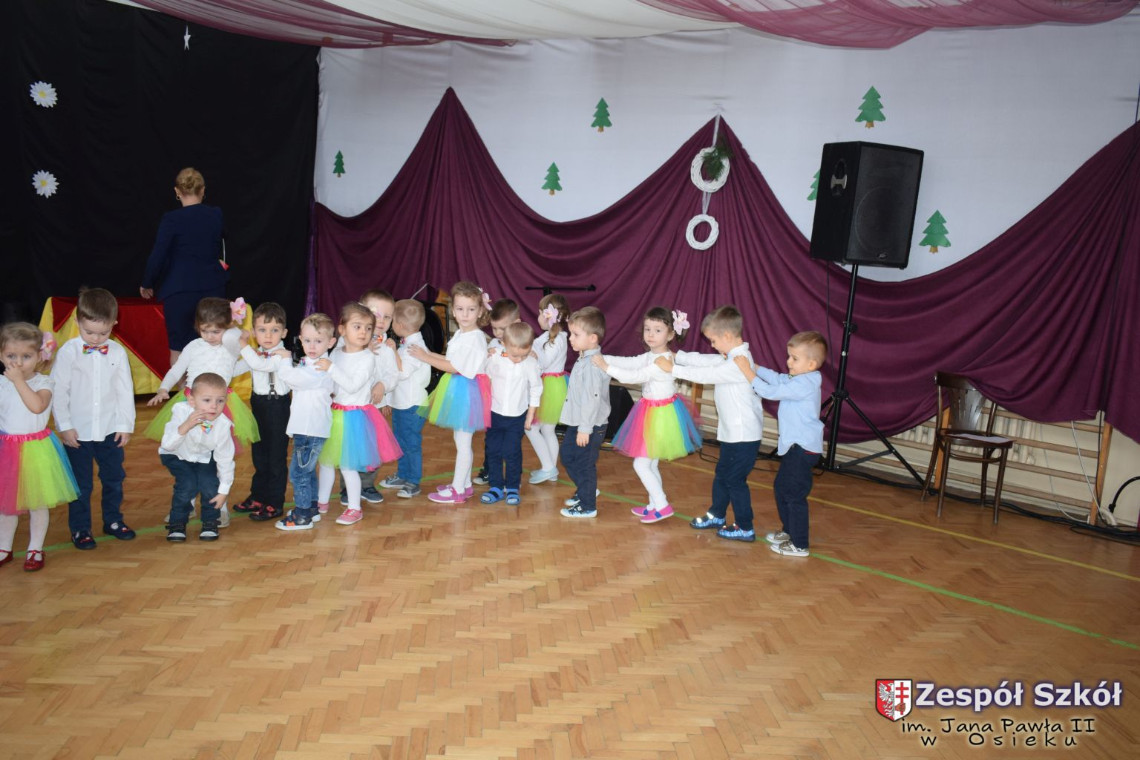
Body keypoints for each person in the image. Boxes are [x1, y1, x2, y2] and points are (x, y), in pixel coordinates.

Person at [143, 296, 258, 528]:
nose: (210, 336)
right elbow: (177, 369)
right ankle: (185, 505)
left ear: (228, 328)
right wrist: (164, 387)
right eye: (205, 330)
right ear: (198, 327)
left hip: (219, 408)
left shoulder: (230, 348)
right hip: (192, 405)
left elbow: (234, 369)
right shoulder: (193, 347)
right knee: (188, 454)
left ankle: (219, 507)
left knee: (217, 458)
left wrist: (256, 356)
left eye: (216, 331)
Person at [655, 305, 763, 541]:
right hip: (733, 434)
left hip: (744, 435)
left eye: (713, 340)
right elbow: (706, 360)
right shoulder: (731, 356)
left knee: (735, 480)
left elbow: (706, 375)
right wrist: (678, 356)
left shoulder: (739, 362)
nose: (712, 345)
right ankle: (717, 514)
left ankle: (745, 526)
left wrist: (673, 369)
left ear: (727, 335)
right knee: (722, 474)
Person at [592, 307, 701, 524]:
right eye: (647, 329)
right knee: (650, 464)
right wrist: (603, 357)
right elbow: (632, 362)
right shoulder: (652, 355)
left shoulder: (663, 360)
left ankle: (662, 505)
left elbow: (635, 376)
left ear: (670, 335)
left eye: (658, 330)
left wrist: (605, 367)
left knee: (641, 464)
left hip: (661, 417)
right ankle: (654, 504)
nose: (651, 334)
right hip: (652, 412)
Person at [51, 288, 137, 550]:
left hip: (110, 429)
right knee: (81, 484)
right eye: (89, 332)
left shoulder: (118, 353)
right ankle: (80, 528)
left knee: (114, 478)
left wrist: (124, 425)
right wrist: (65, 426)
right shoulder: (68, 352)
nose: (97, 339)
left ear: (114, 324)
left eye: (104, 333)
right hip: (78, 432)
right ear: (77, 321)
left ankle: (113, 520)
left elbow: (125, 391)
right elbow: (59, 392)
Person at [735, 331, 827, 557]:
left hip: (803, 449)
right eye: (789, 356)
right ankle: (789, 531)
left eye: (794, 358)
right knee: (782, 488)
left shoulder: (805, 384)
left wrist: (748, 372)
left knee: (794, 494)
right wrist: (755, 367)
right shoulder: (799, 378)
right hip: (796, 447)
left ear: (811, 364)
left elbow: (770, 391)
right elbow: (776, 378)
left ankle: (800, 544)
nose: (788, 362)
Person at [0, 323, 78, 571]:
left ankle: (35, 548)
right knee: (6, 506)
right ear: (1, 355)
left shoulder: (44, 382)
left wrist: (18, 381)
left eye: (26, 356)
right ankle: (4, 547)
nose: (18, 363)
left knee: (37, 503)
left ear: (40, 356)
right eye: (11, 356)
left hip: (37, 451)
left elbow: (36, 406)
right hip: (6, 450)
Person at [316, 302, 402, 525]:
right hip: (335, 414)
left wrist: (330, 369)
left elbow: (352, 386)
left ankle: (354, 508)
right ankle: (321, 502)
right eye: (357, 326)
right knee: (326, 462)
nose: (363, 332)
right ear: (342, 329)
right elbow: (332, 384)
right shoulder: (336, 353)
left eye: (368, 328)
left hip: (355, 417)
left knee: (348, 465)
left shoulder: (367, 358)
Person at [409, 281, 491, 505]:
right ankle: (464, 484)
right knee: (461, 440)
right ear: (453, 310)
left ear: (480, 311)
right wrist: (427, 353)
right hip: (460, 388)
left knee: (463, 443)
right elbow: (450, 359)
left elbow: (454, 367)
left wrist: (425, 357)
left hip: (467, 391)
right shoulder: (463, 334)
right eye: (460, 309)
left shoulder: (474, 338)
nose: (465, 314)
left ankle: (457, 490)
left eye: (471, 309)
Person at [139, 167, 227, 367]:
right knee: (215, 346)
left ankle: (183, 388)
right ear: (202, 190)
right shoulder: (216, 214)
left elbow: (158, 255)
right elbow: (218, 246)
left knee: (178, 349)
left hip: (179, 291)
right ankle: (213, 387)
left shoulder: (171, 219)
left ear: (177, 191)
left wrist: (147, 282)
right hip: (212, 288)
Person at [272, 313, 337, 531]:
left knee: (299, 473)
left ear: (330, 342)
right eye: (307, 340)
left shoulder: (320, 367)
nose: (312, 346)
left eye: (318, 341)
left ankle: (301, 516)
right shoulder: (309, 363)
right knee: (307, 471)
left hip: (310, 429)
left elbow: (292, 379)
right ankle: (310, 508)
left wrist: (284, 359)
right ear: (300, 339)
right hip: (307, 428)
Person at [158, 372, 235, 542]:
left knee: (210, 485)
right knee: (188, 484)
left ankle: (210, 522)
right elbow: (168, 445)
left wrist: (223, 492)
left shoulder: (223, 425)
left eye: (220, 401)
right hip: (176, 455)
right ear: (192, 401)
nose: (214, 406)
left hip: (203, 456)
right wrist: (185, 426)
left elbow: (225, 459)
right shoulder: (180, 411)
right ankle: (177, 523)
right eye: (207, 400)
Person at [235, 302, 292, 523]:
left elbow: (261, 365)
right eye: (262, 330)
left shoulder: (282, 354)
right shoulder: (256, 354)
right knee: (259, 454)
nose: (268, 335)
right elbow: (235, 369)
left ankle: (275, 502)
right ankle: (258, 496)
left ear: (284, 332)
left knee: (276, 457)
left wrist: (243, 345)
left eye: (274, 330)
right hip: (258, 404)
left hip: (277, 407)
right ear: (253, 332)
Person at [342, 289, 398, 506]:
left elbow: (392, 375)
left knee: (371, 447)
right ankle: (347, 487)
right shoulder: (348, 343)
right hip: (351, 407)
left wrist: (383, 386)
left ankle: (366, 484)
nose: (381, 322)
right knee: (349, 446)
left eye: (387, 317)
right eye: (376, 315)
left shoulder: (387, 349)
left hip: (373, 408)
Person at [480, 322, 542, 506]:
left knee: (511, 451)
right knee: (493, 450)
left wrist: (530, 414)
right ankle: (496, 487)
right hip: (495, 413)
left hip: (517, 417)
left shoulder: (530, 363)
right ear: (504, 344)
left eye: (524, 355)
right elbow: (484, 376)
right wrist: (487, 354)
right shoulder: (495, 358)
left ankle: (513, 486)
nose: (519, 359)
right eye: (515, 355)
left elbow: (536, 388)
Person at [558, 307, 610, 519]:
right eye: (571, 333)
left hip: (589, 425)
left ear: (592, 338)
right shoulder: (584, 358)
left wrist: (585, 429)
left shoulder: (592, 364)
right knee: (567, 456)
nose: (570, 338)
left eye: (575, 334)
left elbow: (592, 399)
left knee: (584, 463)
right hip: (579, 422)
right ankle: (586, 489)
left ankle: (588, 506)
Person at [377, 299, 431, 499]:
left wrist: (392, 351)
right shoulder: (407, 343)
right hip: (402, 403)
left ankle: (413, 481)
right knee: (401, 441)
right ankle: (403, 475)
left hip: (412, 405)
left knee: (411, 443)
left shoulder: (414, 347)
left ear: (399, 325)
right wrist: (389, 400)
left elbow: (402, 371)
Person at [473, 297, 520, 487]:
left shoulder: (523, 344)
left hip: (515, 405)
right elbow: (484, 371)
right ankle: (489, 471)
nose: (498, 333)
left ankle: (513, 479)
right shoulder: (493, 343)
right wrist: (487, 357)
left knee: (511, 445)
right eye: (494, 328)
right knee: (491, 441)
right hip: (494, 403)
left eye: (503, 328)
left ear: (516, 323)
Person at [525, 293, 569, 485]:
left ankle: (548, 467)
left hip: (550, 386)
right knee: (548, 430)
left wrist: (532, 354)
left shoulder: (557, 339)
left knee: (531, 428)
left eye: (540, 313)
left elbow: (543, 362)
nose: (538, 317)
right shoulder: (548, 336)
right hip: (551, 384)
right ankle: (550, 470)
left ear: (549, 316)